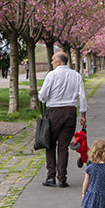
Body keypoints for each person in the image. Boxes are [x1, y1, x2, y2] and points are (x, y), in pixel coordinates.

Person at [38, 51, 87, 187]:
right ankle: (62, 179)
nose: (52, 63)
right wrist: (83, 115)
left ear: (59, 62)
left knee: (50, 144)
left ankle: (51, 176)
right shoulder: (76, 75)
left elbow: (42, 96)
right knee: (63, 146)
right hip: (70, 112)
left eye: (53, 60)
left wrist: (40, 94)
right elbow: (82, 96)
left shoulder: (51, 75)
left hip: (54, 113)